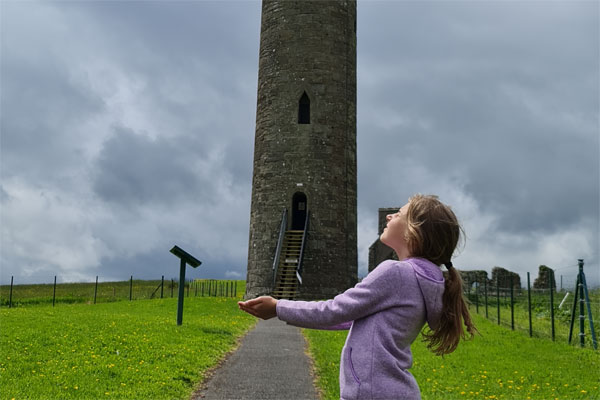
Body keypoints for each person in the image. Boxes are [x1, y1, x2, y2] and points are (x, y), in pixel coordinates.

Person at [238, 194, 477, 400]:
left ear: (414, 232)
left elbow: (335, 310)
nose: (389, 216)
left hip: (371, 392)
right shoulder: (427, 280)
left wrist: (278, 307)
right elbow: (347, 316)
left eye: (399, 214)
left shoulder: (395, 273)